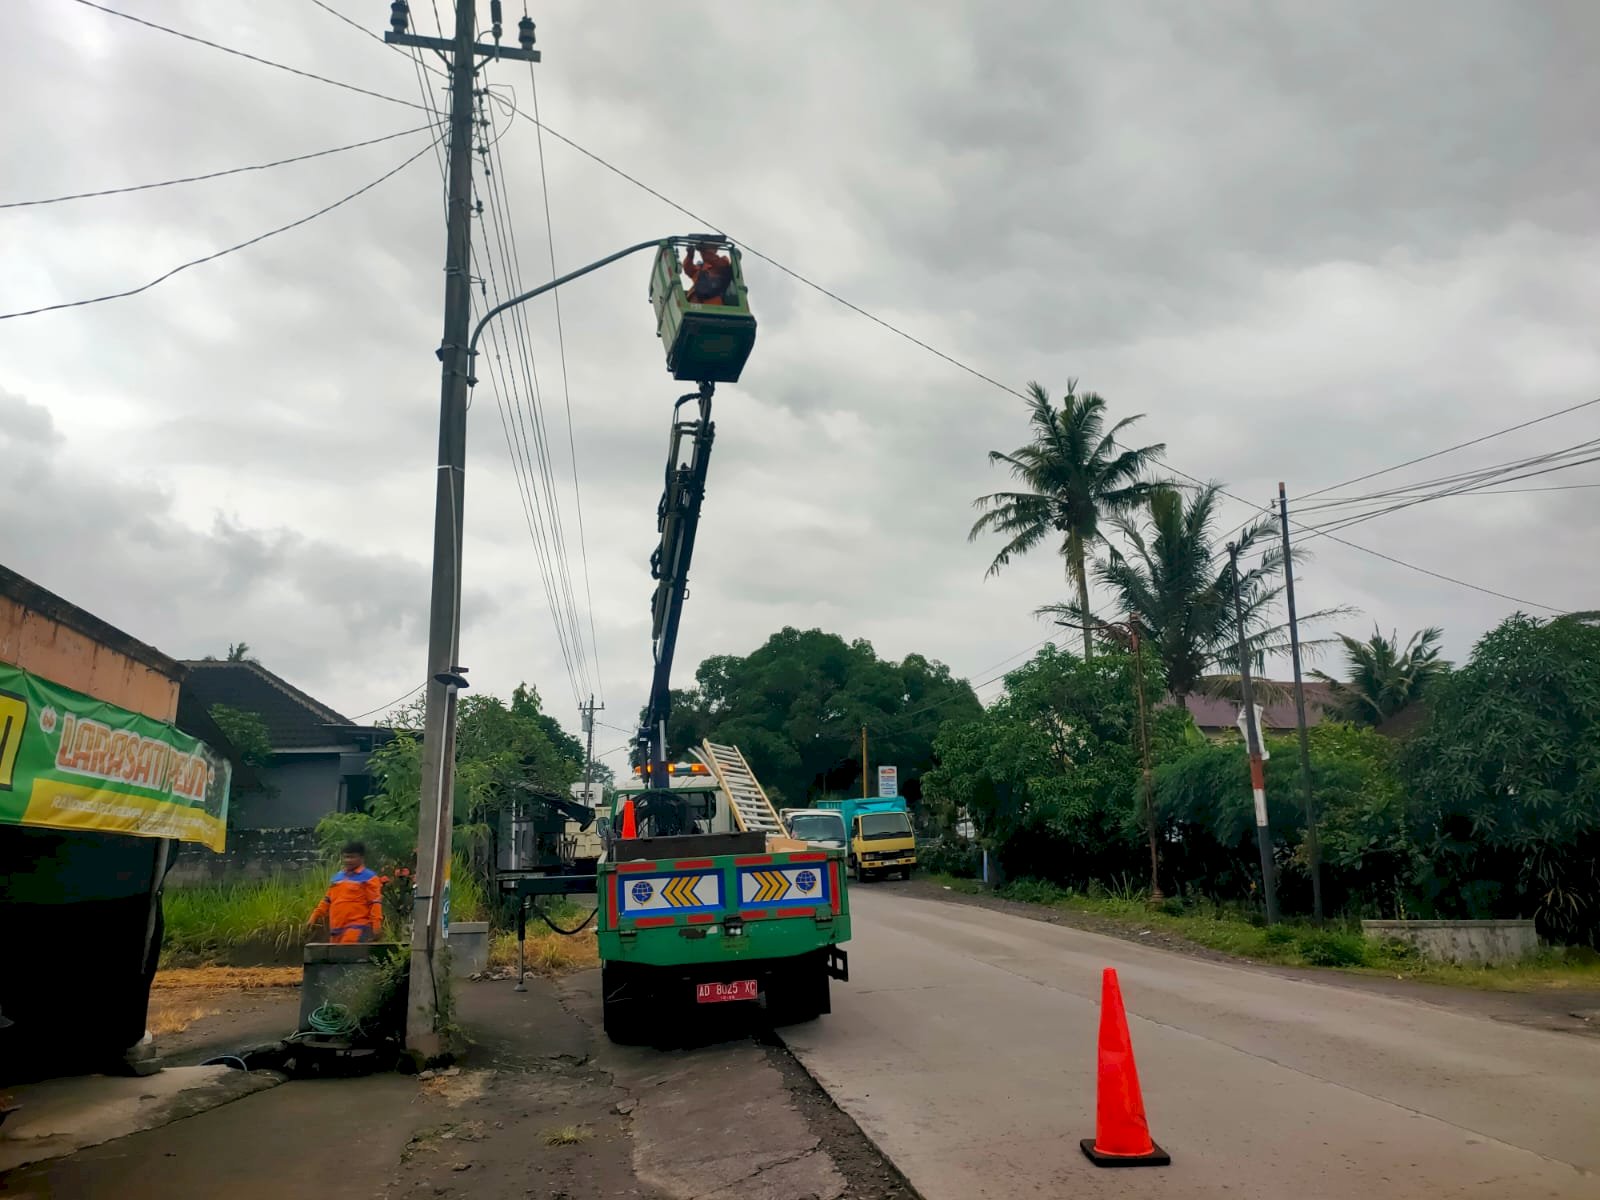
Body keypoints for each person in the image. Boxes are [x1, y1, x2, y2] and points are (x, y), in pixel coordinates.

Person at [308, 841, 384, 944]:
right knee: (336, 958)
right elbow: (327, 900)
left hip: (357, 927)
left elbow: (375, 903)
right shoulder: (337, 877)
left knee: (347, 954)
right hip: (336, 930)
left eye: (352, 857)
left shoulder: (369, 878)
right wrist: (314, 917)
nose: (348, 860)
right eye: (346, 857)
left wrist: (376, 926)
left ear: (361, 858)